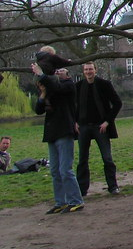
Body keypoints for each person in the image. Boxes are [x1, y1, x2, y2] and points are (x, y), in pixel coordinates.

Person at [32, 65, 84, 214]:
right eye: (56, 70)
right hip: (52, 133)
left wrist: (41, 74)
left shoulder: (68, 86)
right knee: (55, 170)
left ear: (68, 74)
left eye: (61, 70)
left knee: (65, 169)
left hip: (64, 131)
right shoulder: (52, 90)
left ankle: (76, 201)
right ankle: (60, 202)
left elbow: (56, 87)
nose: (57, 72)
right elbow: (38, 110)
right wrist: (42, 93)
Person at [75, 61, 123, 196]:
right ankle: (82, 189)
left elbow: (117, 103)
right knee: (82, 159)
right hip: (83, 127)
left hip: (100, 127)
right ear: (83, 72)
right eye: (86, 70)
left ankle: (113, 186)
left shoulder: (104, 85)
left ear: (95, 70)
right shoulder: (78, 86)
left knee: (107, 158)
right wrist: (75, 121)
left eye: (91, 69)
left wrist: (107, 121)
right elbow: (72, 106)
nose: (88, 72)